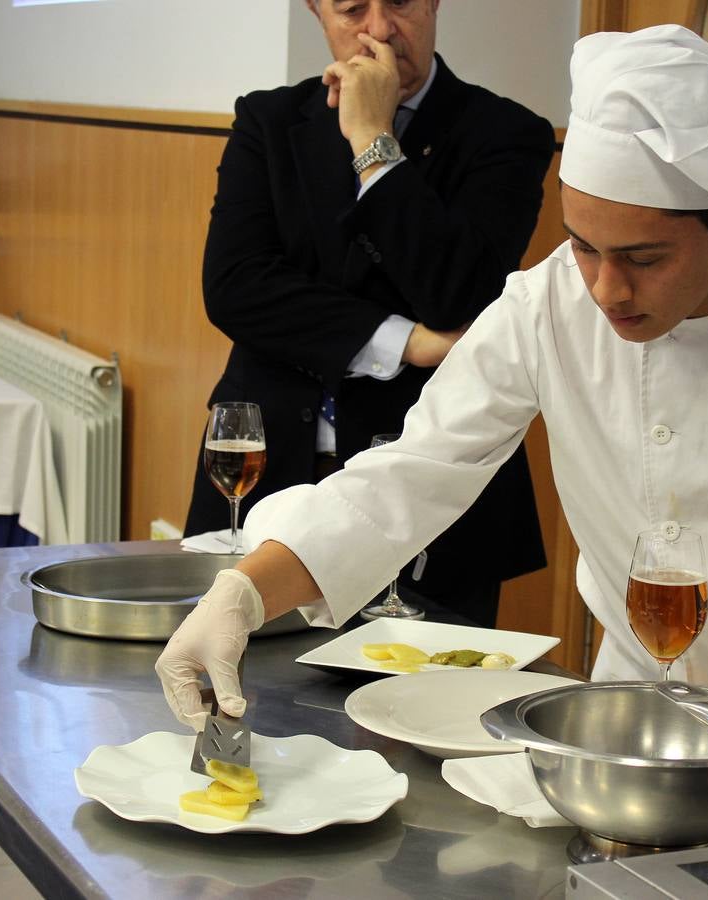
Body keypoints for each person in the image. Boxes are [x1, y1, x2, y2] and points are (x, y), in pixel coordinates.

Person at [159, 25, 708, 762]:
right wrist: (242, 593)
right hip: (635, 725)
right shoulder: (546, 304)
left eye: (643, 258)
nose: (606, 290)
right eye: (583, 245)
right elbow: (413, 474)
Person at [182, 0, 551, 627]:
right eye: (353, 8)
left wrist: (373, 144)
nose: (379, 29)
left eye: (402, 3)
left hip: (431, 496)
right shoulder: (269, 120)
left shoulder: (506, 132)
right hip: (263, 466)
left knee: (417, 710)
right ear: (316, 12)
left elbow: (459, 294)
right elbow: (237, 286)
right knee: (243, 691)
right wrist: (404, 341)